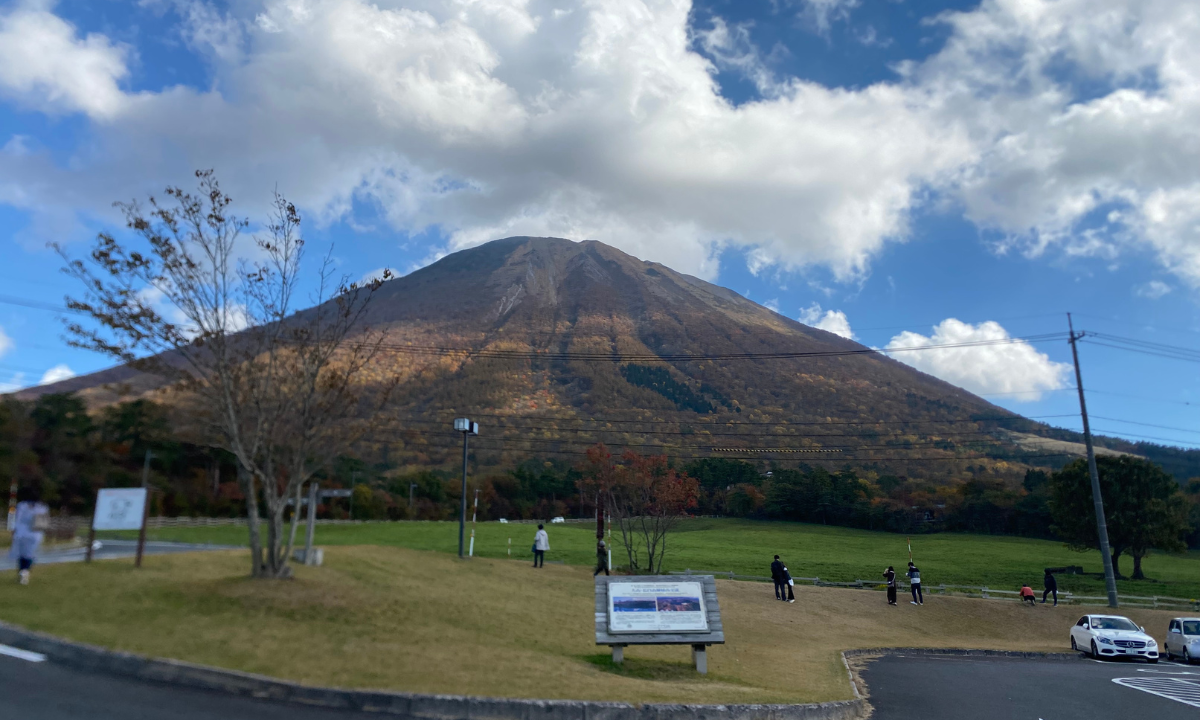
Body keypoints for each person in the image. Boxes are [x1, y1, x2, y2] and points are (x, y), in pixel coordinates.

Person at [9, 486, 49, 586]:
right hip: (35, 534)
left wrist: (13, 529)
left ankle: (22, 571)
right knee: (30, 554)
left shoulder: (22, 506)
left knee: (21, 554)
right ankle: (26, 571)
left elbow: (17, 519)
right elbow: (44, 522)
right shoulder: (42, 507)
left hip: (22, 533)